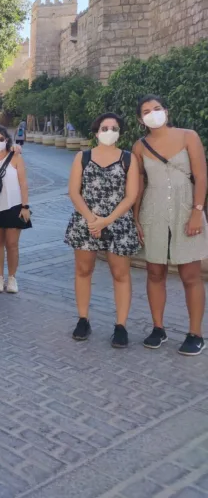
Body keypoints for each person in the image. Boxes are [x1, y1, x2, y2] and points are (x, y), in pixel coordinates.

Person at [133, 94, 208, 356]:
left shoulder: (189, 136)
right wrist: (135, 218)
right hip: (153, 213)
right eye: (146, 111)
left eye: (156, 108)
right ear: (140, 119)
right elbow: (139, 185)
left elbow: (200, 176)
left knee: (190, 275)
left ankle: (195, 333)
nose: (153, 113)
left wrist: (197, 212)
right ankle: (158, 328)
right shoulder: (140, 146)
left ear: (166, 110)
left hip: (186, 211)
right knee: (155, 273)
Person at [66, 114, 140, 347]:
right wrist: (91, 219)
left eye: (114, 128)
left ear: (120, 131)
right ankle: (83, 319)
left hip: (118, 223)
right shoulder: (83, 157)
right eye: (104, 127)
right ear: (96, 131)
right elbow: (74, 191)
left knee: (120, 274)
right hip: (86, 222)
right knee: (83, 270)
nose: (109, 131)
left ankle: (121, 326)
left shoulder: (129, 158)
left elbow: (131, 196)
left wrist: (106, 220)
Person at [0, 126, 31, 294]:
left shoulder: (15, 157)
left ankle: (12, 278)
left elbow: (23, 183)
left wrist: (25, 206)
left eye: (1, 139)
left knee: (12, 244)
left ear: (7, 140)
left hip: (14, 205)